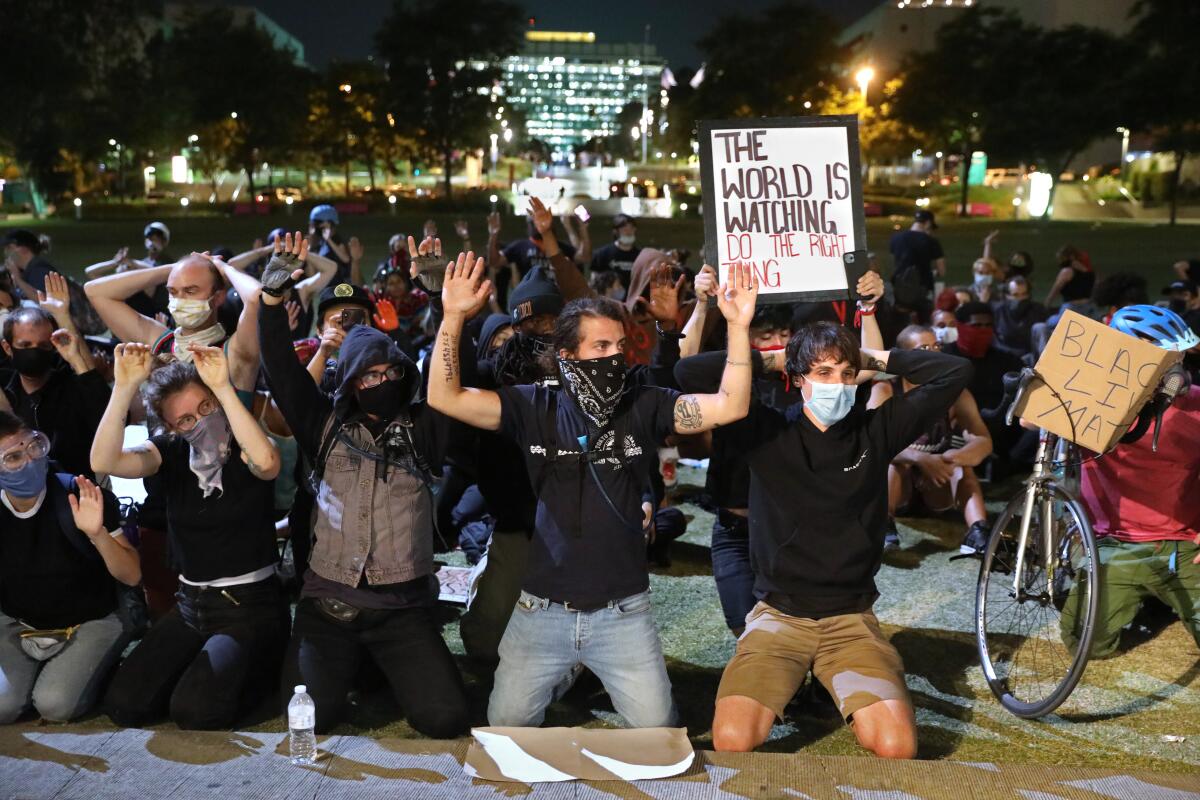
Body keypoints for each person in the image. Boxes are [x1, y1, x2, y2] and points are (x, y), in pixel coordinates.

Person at [429, 254, 759, 729]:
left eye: (619, 346)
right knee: (504, 730)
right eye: (599, 346)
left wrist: (739, 327)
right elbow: (446, 397)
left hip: (623, 614)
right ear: (566, 355)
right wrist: (454, 317)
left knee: (657, 736)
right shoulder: (533, 406)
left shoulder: (643, 403)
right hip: (540, 612)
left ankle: (574, 674)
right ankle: (564, 675)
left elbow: (730, 405)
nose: (613, 357)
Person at [709, 321, 971, 759]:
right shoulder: (767, 431)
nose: (838, 384)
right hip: (779, 618)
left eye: (847, 374)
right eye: (824, 373)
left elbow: (955, 371)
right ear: (797, 381)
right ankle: (801, 684)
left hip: (850, 622)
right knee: (733, 741)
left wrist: (873, 359)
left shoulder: (875, 431)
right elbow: (689, 374)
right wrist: (776, 359)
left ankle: (836, 685)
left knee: (896, 746)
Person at [256, 233, 470, 737]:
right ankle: (352, 668)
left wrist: (443, 299)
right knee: (309, 718)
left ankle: (378, 666)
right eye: (367, 377)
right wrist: (271, 297)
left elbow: (453, 364)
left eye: (389, 372)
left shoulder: (425, 427)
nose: (380, 383)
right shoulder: (322, 426)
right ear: (350, 383)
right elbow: (280, 368)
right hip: (328, 608)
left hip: (403, 610)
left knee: (445, 718)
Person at [675, 272, 885, 633]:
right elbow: (684, 366)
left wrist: (867, 309)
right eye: (766, 337)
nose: (777, 344)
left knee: (807, 636)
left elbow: (870, 367)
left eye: (784, 336)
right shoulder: (731, 382)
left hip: (791, 531)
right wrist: (703, 304)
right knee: (746, 630)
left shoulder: (810, 383)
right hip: (736, 526)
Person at [94, 343, 286, 730]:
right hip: (190, 605)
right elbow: (103, 462)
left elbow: (267, 464)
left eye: (205, 408)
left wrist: (224, 389)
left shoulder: (246, 445)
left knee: (194, 712)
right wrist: (123, 387)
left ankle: (266, 670)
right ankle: (201, 669)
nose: (198, 422)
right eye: (184, 420)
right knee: (125, 705)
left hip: (249, 608)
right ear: (171, 427)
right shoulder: (169, 452)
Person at [1061, 305, 1200, 658]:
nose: (1173, 369)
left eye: (1176, 358)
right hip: (1111, 545)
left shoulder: (1196, 406)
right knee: (1085, 646)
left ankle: (1162, 599)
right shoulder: (1087, 401)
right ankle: (1149, 601)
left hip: (1183, 546)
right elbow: (1031, 421)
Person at [0, 413, 141, 723]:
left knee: (54, 704)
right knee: (3, 708)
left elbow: (132, 574)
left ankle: (91, 670)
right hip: (19, 623)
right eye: (13, 457)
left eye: (34, 447)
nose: (29, 461)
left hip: (89, 620)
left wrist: (97, 534)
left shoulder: (82, 495)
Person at [869, 325, 993, 553]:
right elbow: (871, 443)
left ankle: (979, 532)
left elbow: (983, 440)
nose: (934, 353)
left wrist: (954, 458)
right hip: (898, 486)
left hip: (937, 485)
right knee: (893, 462)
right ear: (903, 357)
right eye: (924, 348)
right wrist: (919, 459)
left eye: (937, 346)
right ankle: (882, 526)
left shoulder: (957, 393)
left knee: (962, 466)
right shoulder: (885, 390)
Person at [84, 252, 264, 391]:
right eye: (173, 292)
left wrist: (224, 268)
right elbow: (95, 292)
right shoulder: (161, 342)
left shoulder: (235, 351)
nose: (180, 300)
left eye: (190, 291)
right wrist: (177, 267)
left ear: (218, 298)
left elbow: (257, 298)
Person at [2, 287, 109, 478]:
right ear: (8, 348)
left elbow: (111, 419)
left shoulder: (74, 386)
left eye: (43, 346)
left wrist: (77, 360)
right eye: (25, 346)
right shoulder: (4, 392)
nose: (34, 352)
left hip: (77, 489)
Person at [888, 210, 944, 318]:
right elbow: (941, 271)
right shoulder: (931, 241)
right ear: (928, 223)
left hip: (899, 289)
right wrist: (934, 272)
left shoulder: (896, 238)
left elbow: (894, 264)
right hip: (923, 289)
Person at [991, 276, 1048, 358]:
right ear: (1007, 295)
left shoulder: (1038, 309)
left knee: (1040, 327)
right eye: (1015, 295)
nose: (1020, 298)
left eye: (1024, 294)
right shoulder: (998, 310)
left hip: (1033, 358)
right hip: (1006, 357)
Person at [589, 214, 641, 292]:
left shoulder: (641, 256)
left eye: (631, 228)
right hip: (608, 301)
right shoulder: (602, 254)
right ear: (616, 231)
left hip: (634, 301)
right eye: (624, 228)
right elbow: (594, 281)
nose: (628, 231)